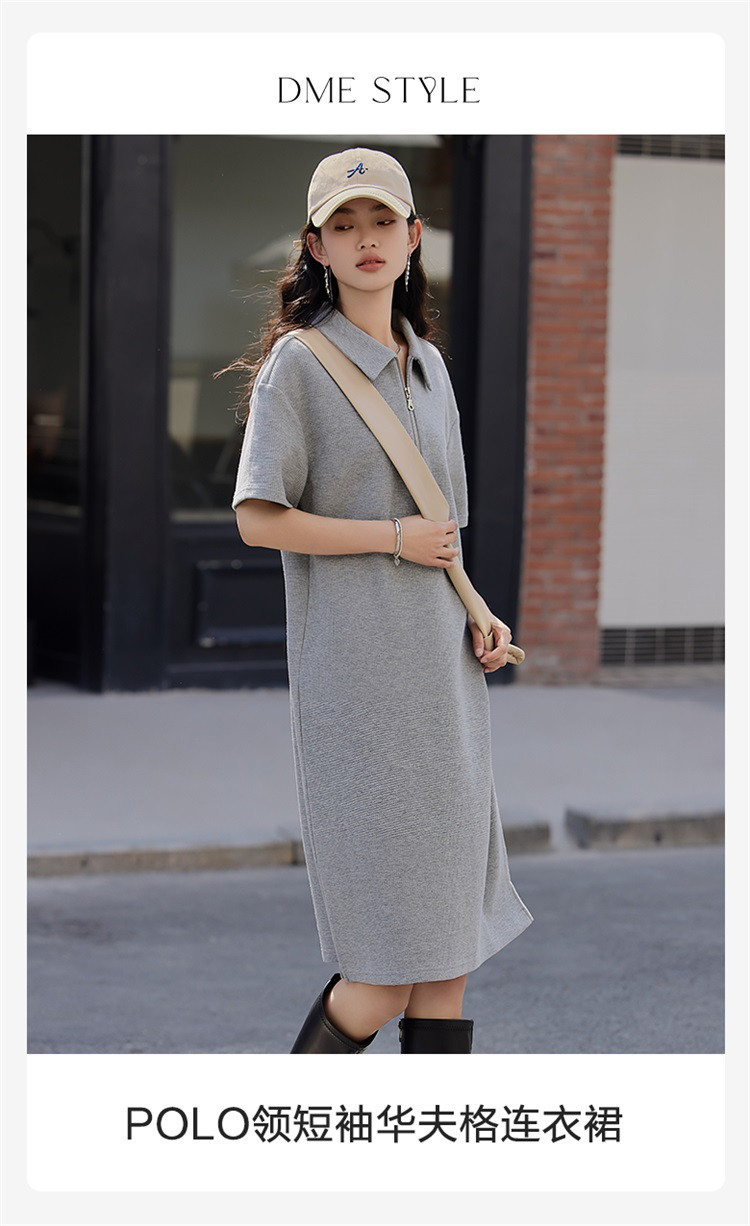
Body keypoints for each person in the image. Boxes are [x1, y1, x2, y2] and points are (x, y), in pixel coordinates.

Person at [227, 147, 534, 1054]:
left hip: (444, 684)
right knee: (384, 969)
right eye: (344, 224)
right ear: (316, 245)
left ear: (414, 237)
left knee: (449, 957)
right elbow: (257, 518)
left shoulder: (430, 367)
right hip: (360, 686)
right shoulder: (299, 367)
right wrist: (389, 538)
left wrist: (477, 613)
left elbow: (445, 532)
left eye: (382, 221)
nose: (366, 239)